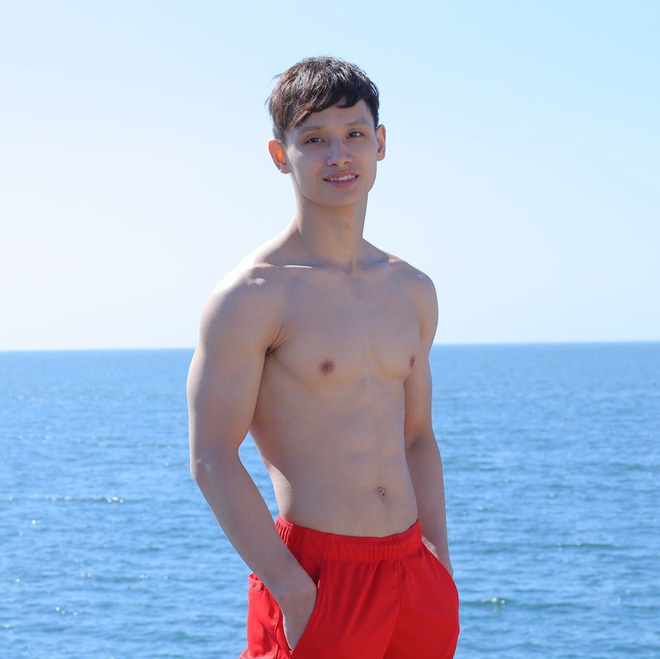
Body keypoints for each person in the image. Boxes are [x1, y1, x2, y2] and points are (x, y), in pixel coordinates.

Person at [187, 56, 459, 658]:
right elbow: (211, 456)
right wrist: (291, 589)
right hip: (317, 579)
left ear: (380, 143)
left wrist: (438, 559)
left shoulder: (411, 289)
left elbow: (417, 437)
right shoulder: (253, 294)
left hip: (414, 575)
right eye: (314, 139)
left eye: (354, 134)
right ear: (280, 154)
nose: (339, 155)